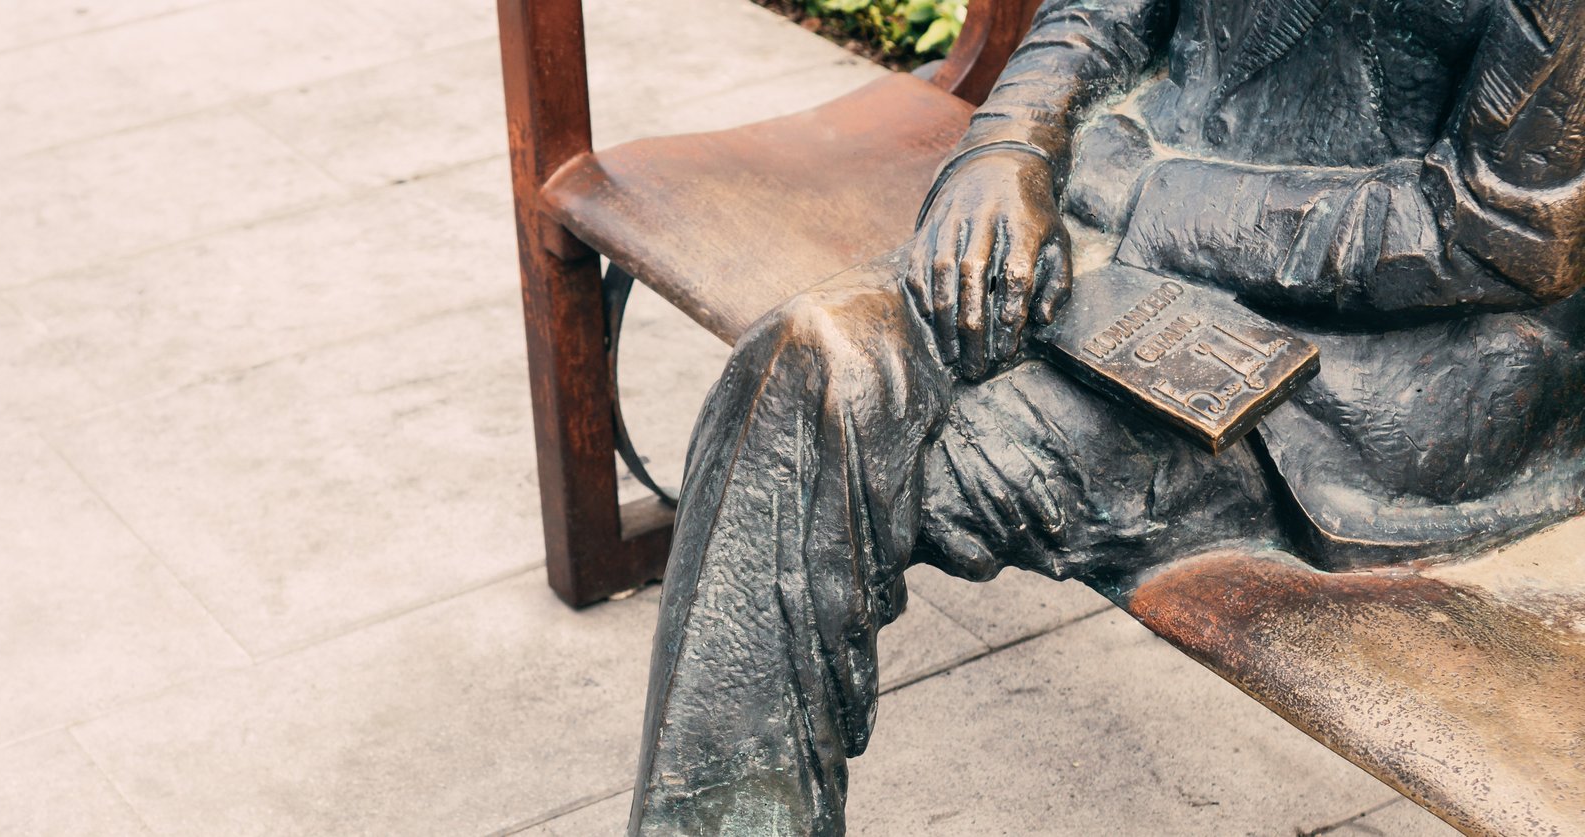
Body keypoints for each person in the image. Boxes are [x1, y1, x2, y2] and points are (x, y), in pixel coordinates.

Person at [630, 0, 1585, 832]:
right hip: (1114, 212)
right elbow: (1100, 11)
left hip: (1367, 362)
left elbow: (1498, 231)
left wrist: (1147, 196)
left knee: (824, 485)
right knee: (805, 359)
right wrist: (1008, 146)